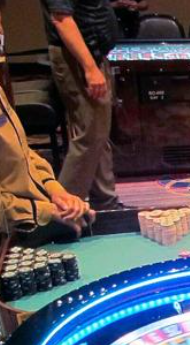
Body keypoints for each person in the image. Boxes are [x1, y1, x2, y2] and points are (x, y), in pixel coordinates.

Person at [41, 0, 122, 211]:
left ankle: (105, 203)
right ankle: (62, 212)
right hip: (78, 58)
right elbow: (61, 19)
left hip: (90, 56)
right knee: (90, 134)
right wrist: (89, 67)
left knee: (99, 131)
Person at [0, 85, 95, 242]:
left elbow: (21, 151)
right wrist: (43, 211)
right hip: (12, 227)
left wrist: (55, 191)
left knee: (84, 220)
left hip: (32, 210)